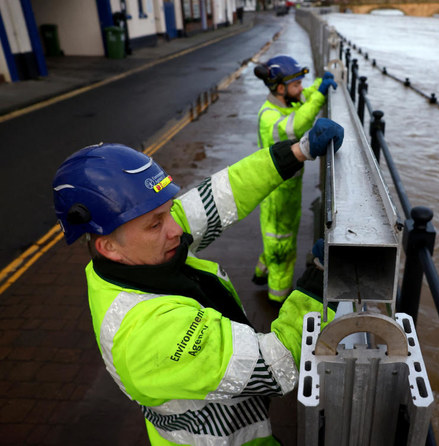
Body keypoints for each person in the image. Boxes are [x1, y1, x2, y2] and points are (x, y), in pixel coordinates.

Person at [52, 118, 344, 446]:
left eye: (168, 211)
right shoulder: (145, 335)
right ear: (108, 246)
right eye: (155, 223)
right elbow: (277, 366)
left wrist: (295, 152)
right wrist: (319, 282)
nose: (175, 228)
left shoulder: (138, 248)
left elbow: (220, 197)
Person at [252, 55, 338, 303]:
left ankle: (261, 274)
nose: (301, 89)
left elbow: (300, 100)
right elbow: (298, 125)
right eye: (297, 85)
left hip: (285, 191)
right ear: (281, 88)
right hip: (278, 196)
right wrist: (320, 95)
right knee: (282, 247)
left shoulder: (282, 104)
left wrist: (318, 84)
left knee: (275, 238)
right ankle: (277, 299)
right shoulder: (269, 116)